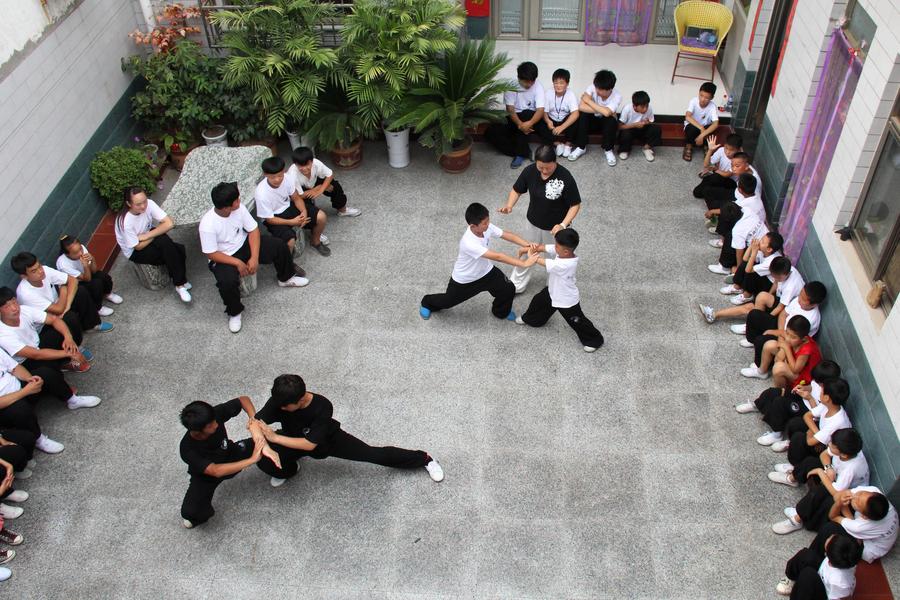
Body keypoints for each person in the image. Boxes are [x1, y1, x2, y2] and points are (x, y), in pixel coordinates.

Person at [254, 374, 444, 487]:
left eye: (286, 407)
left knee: (374, 455)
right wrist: (267, 444)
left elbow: (310, 444)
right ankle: (290, 469)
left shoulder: (322, 406)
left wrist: (274, 439)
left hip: (327, 441)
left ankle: (424, 459)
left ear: (301, 399)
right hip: (292, 438)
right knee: (262, 458)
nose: (281, 410)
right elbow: (254, 423)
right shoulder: (280, 401)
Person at [198, 182, 308, 333]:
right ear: (225, 208)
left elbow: (253, 230)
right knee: (226, 282)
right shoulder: (207, 224)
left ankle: (286, 278)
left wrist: (254, 258)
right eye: (236, 200)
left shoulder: (238, 207)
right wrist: (237, 262)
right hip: (223, 256)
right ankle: (234, 312)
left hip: (243, 244)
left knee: (278, 246)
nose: (239, 201)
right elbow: (211, 253)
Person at [420, 203, 536, 321]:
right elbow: (498, 257)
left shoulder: (487, 227)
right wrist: (524, 264)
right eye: (484, 223)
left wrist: (527, 244)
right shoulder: (468, 242)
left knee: (508, 289)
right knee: (448, 302)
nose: (488, 224)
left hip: (486, 272)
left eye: (488, 220)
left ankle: (500, 312)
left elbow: (506, 235)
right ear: (473, 226)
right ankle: (427, 302)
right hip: (465, 279)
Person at [178, 396, 280, 528]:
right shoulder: (187, 448)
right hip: (206, 475)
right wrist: (251, 460)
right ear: (197, 431)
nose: (216, 424)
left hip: (231, 453)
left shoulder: (212, 416)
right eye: (210, 425)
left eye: (214, 420)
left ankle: (286, 470)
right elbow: (215, 471)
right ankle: (199, 515)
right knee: (190, 513)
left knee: (274, 442)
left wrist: (253, 420)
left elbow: (243, 400)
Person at [499, 144, 582, 294]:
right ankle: (517, 285)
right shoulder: (530, 171)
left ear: (555, 162)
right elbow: (517, 190)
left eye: (547, 168)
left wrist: (562, 225)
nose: (544, 171)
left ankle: (554, 286)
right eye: (540, 167)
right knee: (529, 251)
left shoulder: (565, 177)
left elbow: (575, 205)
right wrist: (509, 205)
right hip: (533, 223)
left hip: (556, 229)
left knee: (555, 257)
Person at [0, 288, 100, 412]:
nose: (14, 308)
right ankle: (72, 400)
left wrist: (68, 338)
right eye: (6, 306)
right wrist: (70, 353)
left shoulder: (24, 310)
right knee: (46, 370)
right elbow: (35, 355)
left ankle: (68, 360)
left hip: (38, 346)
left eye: (14, 302)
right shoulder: (3, 334)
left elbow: (53, 319)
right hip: (27, 361)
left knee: (68, 321)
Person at [514, 228, 604, 352]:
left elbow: (538, 261)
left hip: (566, 299)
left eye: (557, 246)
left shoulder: (566, 265)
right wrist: (531, 247)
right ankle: (533, 320)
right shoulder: (562, 251)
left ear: (566, 251)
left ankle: (595, 340)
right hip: (553, 290)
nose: (554, 247)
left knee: (576, 320)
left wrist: (530, 254)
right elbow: (544, 248)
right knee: (538, 301)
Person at [772, 428, 869, 534]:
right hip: (836, 481)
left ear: (844, 455)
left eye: (832, 445)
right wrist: (828, 468)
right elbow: (824, 455)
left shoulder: (851, 469)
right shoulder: (847, 451)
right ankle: (792, 479)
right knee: (811, 462)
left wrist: (820, 472)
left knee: (821, 491)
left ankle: (797, 520)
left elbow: (836, 493)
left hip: (847, 497)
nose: (829, 444)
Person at [114, 187, 192, 302]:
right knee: (176, 250)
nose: (143, 206)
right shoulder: (125, 222)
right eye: (138, 204)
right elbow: (137, 246)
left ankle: (180, 284)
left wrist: (148, 235)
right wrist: (155, 233)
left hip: (146, 235)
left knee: (172, 247)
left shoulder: (149, 204)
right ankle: (180, 283)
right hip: (135, 251)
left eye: (144, 201)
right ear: (128, 203)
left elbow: (169, 223)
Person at [737, 360, 841, 446]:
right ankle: (758, 405)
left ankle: (777, 434)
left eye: (820, 383)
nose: (818, 384)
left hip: (808, 409)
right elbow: (813, 386)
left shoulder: (829, 394)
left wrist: (810, 399)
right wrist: (804, 388)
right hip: (803, 397)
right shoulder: (819, 382)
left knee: (780, 402)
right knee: (774, 392)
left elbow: (817, 415)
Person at [11, 252, 110, 335]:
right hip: (45, 323)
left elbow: (73, 281)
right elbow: (58, 310)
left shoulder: (45, 270)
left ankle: (91, 325)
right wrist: (63, 289)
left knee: (80, 291)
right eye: (34, 271)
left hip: (59, 306)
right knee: (70, 317)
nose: (40, 271)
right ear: (24, 276)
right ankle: (76, 348)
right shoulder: (25, 293)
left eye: (39, 266)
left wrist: (67, 305)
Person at [742, 282, 825, 379]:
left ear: (814, 304)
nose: (799, 299)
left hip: (790, 340)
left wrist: (781, 339)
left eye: (803, 299)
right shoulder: (798, 301)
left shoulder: (811, 319)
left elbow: (795, 340)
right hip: (784, 330)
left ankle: (760, 368)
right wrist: (780, 331)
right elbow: (783, 314)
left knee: (761, 340)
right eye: (800, 294)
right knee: (754, 314)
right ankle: (752, 342)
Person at [0, 345, 65, 455]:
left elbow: (14, 367)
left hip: (20, 388)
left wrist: (29, 379)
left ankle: (72, 400)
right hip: (5, 405)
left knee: (44, 373)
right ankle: (39, 439)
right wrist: (26, 391)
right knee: (20, 410)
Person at [811, 486, 898, 566]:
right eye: (861, 493)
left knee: (830, 528)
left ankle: (813, 558)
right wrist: (841, 501)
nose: (856, 496)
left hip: (868, 547)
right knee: (834, 501)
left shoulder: (859, 527)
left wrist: (839, 503)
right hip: (870, 530)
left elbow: (833, 516)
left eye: (858, 502)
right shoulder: (874, 491)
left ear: (864, 517)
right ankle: (812, 523)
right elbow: (839, 494)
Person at [776, 378, 851, 468]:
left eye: (821, 391)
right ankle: (793, 446)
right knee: (796, 423)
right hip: (821, 437)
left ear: (827, 398)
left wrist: (814, 435)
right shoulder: (829, 405)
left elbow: (810, 442)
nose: (819, 393)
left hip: (829, 450)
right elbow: (807, 416)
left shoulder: (837, 422)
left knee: (799, 438)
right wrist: (817, 433)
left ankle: (795, 466)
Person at [484, 61, 547, 168]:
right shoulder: (511, 86)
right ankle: (523, 151)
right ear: (519, 78)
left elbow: (540, 110)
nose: (529, 84)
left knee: (526, 113)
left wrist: (529, 123)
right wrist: (520, 125)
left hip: (532, 119)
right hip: (515, 118)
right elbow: (510, 109)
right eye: (526, 82)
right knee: (489, 133)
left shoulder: (538, 86)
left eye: (532, 81)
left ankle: (520, 154)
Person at [254, 156, 310, 274]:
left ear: (284, 171)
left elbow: (296, 198)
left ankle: (316, 240)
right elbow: (269, 219)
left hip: (287, 207)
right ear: (265, 175)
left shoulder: (287, 179)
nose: (278, 180)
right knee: (289, 240)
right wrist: (292, 222)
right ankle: (288, 264)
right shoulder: (261, 193)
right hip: (273, 217)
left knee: (320, 216)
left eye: (280, 175)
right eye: (273, 177)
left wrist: (303, 212)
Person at [775, 533, 863, 598]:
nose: (830, 536)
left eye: (831, 539)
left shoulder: (840, 583)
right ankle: (791, 578)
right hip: (824, 576)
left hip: (825, 593)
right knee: (806, 555)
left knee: (808, 575)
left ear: (828, 555)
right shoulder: (845, 557)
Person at [286, 146, 360, 219]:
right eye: (300, 166)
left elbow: (330, 175)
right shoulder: (292, 175)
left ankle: (342, 210)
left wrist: (321, 189)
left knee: (334, 186)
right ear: (295, 164)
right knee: (306, 208)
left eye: (307, 164)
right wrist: (316, 189)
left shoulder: (316, 163)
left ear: (312, 161)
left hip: (314, 180)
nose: (304, 168)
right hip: (299, 191)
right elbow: (297, 196)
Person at [56, 235, 123, 310]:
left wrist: (92, 259)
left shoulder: (82, 248)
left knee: (103, 276)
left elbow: (94, 271)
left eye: (80, 249)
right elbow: (87, 279)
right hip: (76, 284)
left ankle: (107, 294)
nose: (80, 253)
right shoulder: (63, 264)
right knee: (96, 284)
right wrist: (85, 266)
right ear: (67, 254)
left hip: (86, 274)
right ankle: (97, 308)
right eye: (76, 253)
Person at [571, 69, 621, 165]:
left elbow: (607, 114)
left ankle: (608, 150)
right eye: (597, 88)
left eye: (601, 90)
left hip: (605, 124)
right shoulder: (592, 87)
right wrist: (605, 110)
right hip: (592, 122)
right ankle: (581, 147)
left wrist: (589, 102)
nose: (597, 91)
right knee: (583, 115)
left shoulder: (617, 96)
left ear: (610, 89)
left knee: (611, 119)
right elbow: (581, 106)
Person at [720, 231, 784, 306]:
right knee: (747, 264)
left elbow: (748, 270)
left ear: (769, 249)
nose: (759, 242)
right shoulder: (764, 251)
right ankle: (737, 286)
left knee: (751, 270)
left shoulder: (772, 261)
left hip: (767, 285)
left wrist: (754, 252)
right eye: (761, 239)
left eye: (762, 242)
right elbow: (745, 259)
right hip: (763, 278)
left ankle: (747, 295)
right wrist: (751, 246)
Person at [542, 68, 580, 157]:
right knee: (540, 121)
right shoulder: (548, 93)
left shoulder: (571, 94)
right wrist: (548, 121)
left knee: (576, 118)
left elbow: (575, 113)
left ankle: (568, 144)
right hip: (552, 120)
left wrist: (562, 127)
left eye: (561, 83)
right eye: (556, 83)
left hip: (564, 120)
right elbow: (544, 112)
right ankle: (557, 144)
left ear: (567, 84)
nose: (558, 86)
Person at [693, 133, 742, 200]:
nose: (727, 152)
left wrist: (714, 169)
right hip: (720, 177)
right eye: (726, 148)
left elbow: (726, 174)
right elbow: (706, 165)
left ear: (738, 150)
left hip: (731, 183)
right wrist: (710, 150)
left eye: (731, 150)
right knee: (705, 184)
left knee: (714, 178)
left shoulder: (739, 159)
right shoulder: (721, 150)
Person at [617, 90, 660, 162]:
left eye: (647, 106)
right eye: (642, 107)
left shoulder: (649, 108)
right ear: (634, 106)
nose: (645, 109)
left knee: (656, 128)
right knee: (625, 133)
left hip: (642, 128)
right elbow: (620, 127)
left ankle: (647, 148)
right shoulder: (627, 109)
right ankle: (624, 150)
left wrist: (646, 123)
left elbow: (651, 121)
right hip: (630, 129)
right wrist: (634, 125)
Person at [682, 81, 719, 161]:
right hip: (694, 127)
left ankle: (707, 147)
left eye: (706, 98)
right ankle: (689, 146)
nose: (702, 99)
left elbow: (715, 124)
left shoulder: (712, 106)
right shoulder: (693, 101)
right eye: (701, 95)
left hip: (704, 131)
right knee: (691, 128)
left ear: (712, 98)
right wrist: (701, 128)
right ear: (698, 93)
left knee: (712, 129)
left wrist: (702, 135)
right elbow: (687, 117)